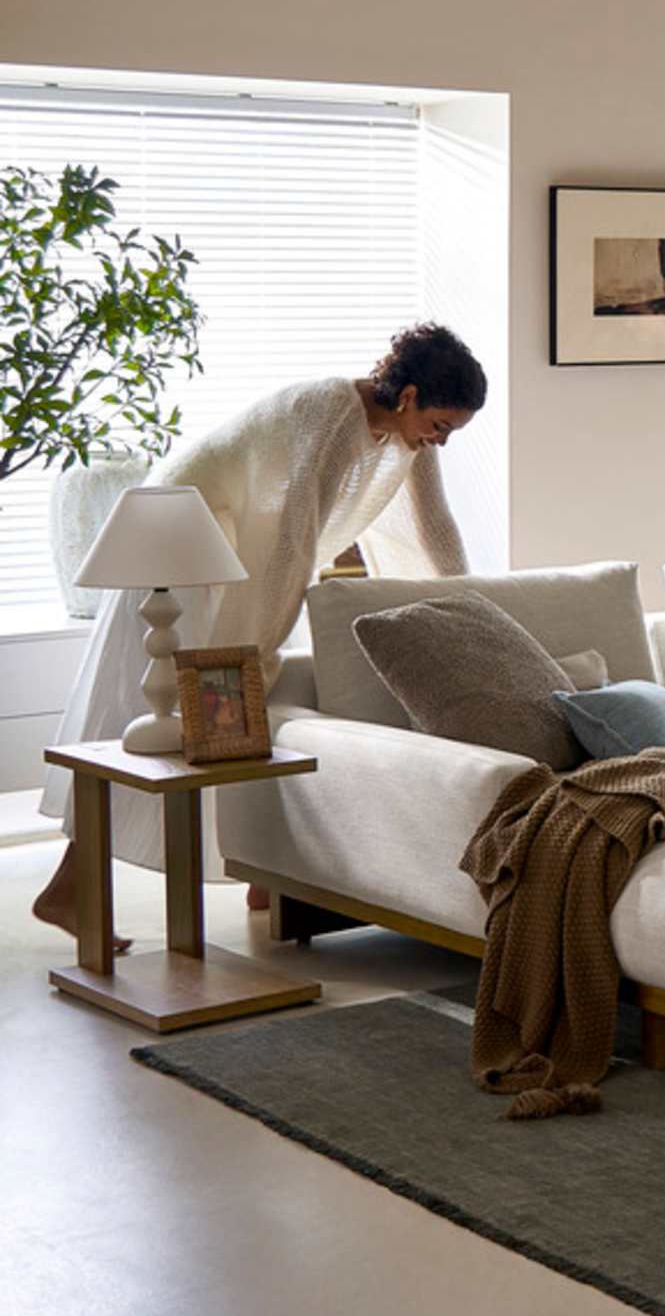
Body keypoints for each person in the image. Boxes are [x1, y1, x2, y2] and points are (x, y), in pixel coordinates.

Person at [35, 322, 486, 939]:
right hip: (180, 549)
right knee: (153, 725)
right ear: (408, 395)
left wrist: (475, 604)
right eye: (440, 424)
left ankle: (265, 879)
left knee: (244, 717)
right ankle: (69, 891)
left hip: (229, 559)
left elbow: (435, 527)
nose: (442, 441)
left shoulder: (408, 440)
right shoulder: (331, 412)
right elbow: (291, 542)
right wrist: (255, 653)